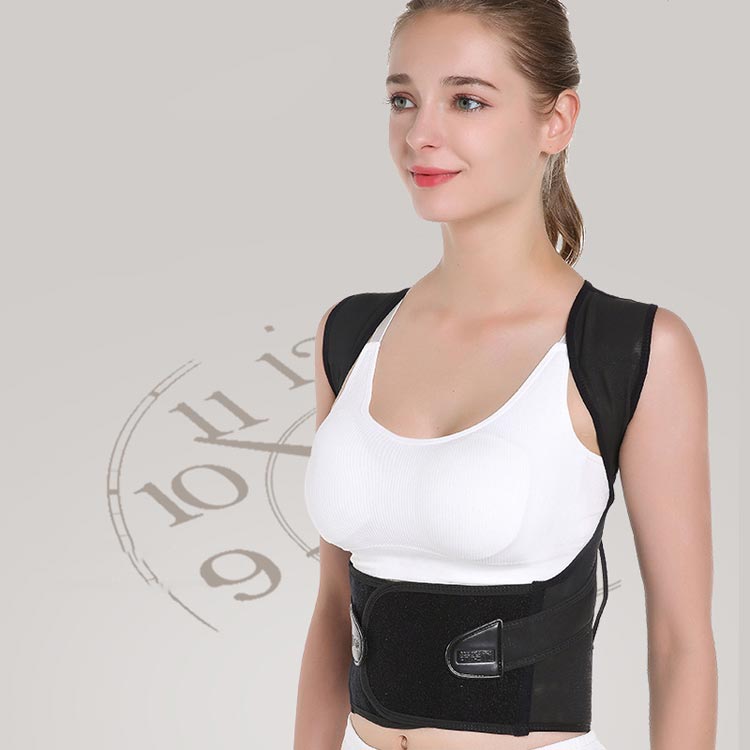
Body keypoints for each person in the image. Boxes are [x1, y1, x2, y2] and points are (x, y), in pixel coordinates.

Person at [295, 2, 717, 749]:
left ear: (556, 120)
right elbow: (332, 609)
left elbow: (681, 642)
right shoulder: (351, 334)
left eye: (467, 101)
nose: (420, 133)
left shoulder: (629, 348)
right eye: (402, 99)